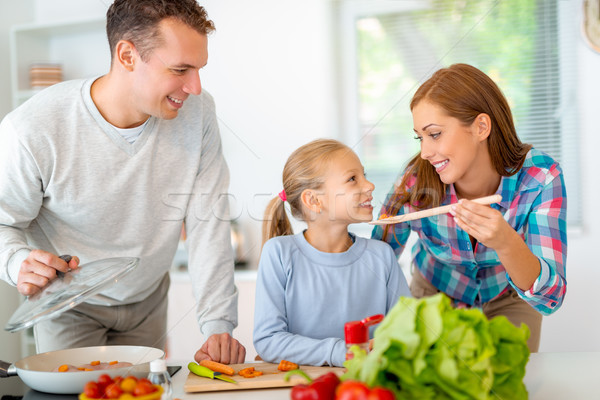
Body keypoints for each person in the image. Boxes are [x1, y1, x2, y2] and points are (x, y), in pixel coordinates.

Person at [0, 0, 245, 364]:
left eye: (198, 69)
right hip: (69, 303)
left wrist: (217, 322)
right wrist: (17, 261)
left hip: (148, 299)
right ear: (128, 55)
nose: (194, 87)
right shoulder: (33, 128)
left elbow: (207, 222)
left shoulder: (199, 113)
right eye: (180, 69)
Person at [372, 63, 567, 352]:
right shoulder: (415, 180)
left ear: (481, 127)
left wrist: (505, 241)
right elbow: (378, 259)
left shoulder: (540, 176)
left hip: (509, 295)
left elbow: (550, 297)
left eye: (435, 134)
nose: (425, 152)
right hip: (435, 293)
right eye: (420, 137)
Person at [253, 139, 411, 367]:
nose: (369, 186)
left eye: (364, 175)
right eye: (352, 179)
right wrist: (343, 352)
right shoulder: (279, 254)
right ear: (314, 200)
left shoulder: (382, 256)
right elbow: (269, 341)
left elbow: (408, 329)